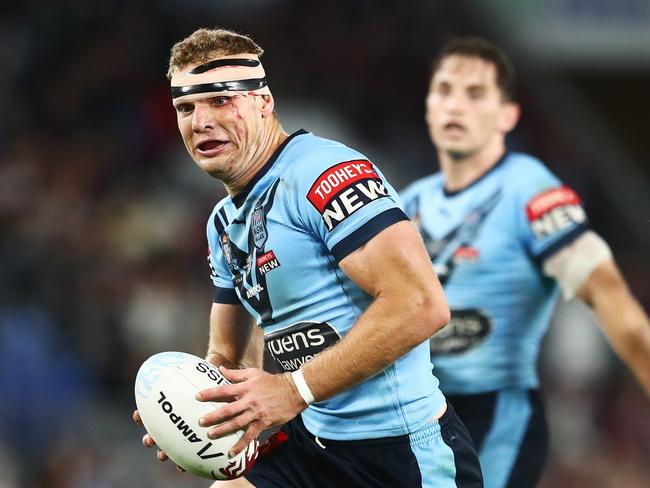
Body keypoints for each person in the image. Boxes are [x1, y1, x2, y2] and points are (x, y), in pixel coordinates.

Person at [133, 28, 484, 487]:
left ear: (263, 101)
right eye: (185, 108)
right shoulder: (222, 222)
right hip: (312, 448)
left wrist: (291, 390)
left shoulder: (327, 175)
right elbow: (231, 361)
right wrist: (198, 419)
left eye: (219, 100)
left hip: (401, 456)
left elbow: (421, 304)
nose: (199, 121)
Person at [400, 36, 650, 488]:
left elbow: (613, 303)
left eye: (475, 94)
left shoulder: (530, 189)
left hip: (493, 416)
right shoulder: (409, 200)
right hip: (415, 414)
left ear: (508, 115)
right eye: (444, 90)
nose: (455, 105)